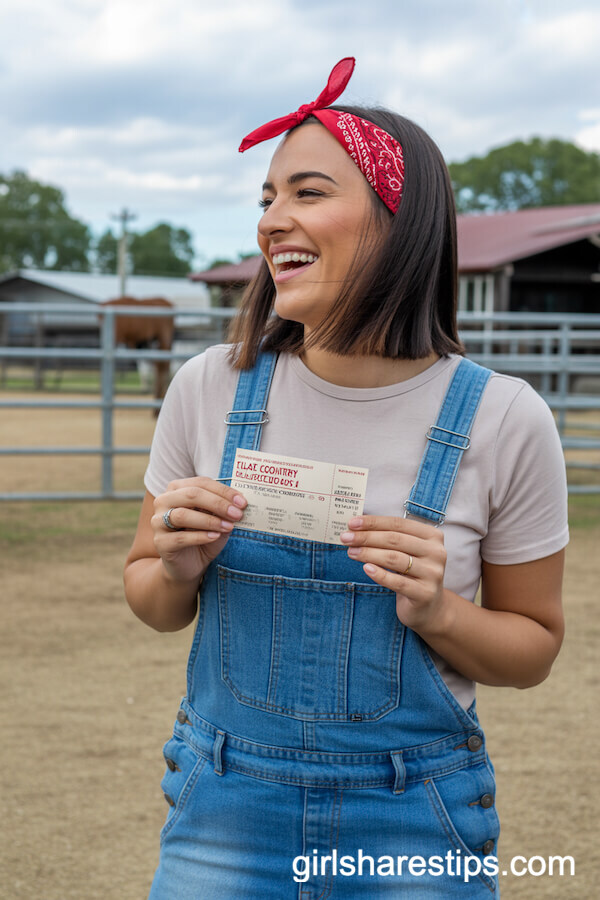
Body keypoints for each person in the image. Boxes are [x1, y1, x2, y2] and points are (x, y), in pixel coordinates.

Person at [124, 58, 568, 898]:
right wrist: (176, 567)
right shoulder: (208, 387)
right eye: (266, 198)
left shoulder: (505, 418)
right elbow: (148, 597)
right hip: (221, 808)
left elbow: (534, 649)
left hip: (414, 819)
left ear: (401, 223)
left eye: (308, 192)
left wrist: (439, 610)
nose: (271, 222)